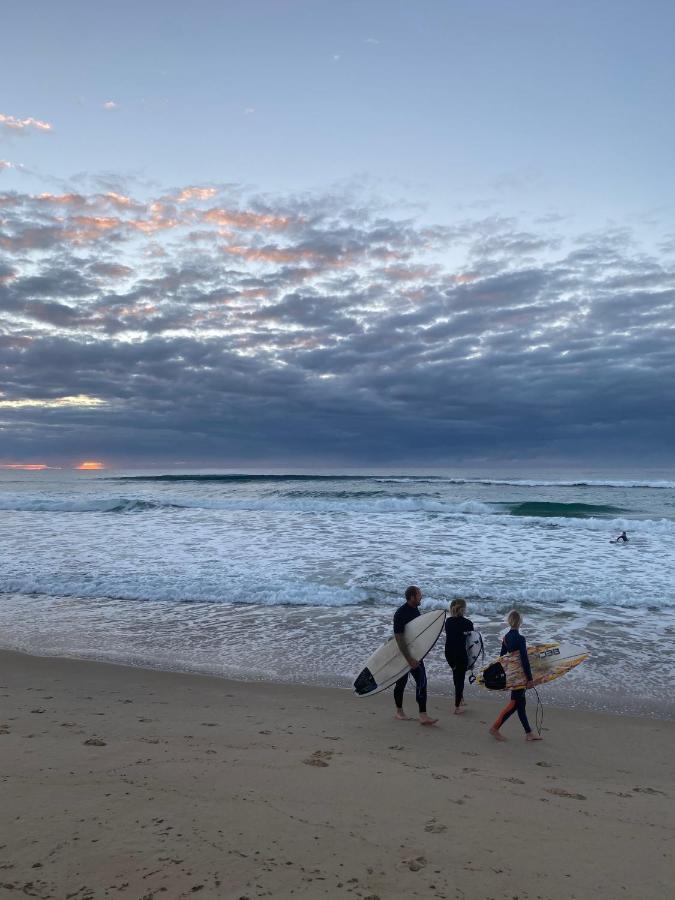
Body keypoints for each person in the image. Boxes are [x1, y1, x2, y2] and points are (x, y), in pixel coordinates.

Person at [489, 609, 542, 742]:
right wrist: (530, 679)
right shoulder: (520, 638)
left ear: (509, 621)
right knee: (515, 704)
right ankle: (495, 728)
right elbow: (524, 660)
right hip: (520, 677)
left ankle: (529, 733)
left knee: (520, 704)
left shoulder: (506, 638)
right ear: (520, 622)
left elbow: (501, 658)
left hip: (512, 676)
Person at [393, 585, 438, 726]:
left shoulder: (415, 610)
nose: (421, 597)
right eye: (419, 595)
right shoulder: (400, 613)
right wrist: (409, 659)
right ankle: (399, 711)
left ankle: (423, 715)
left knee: (422, 682)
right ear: (412, 597)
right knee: (401, 683)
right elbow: (399, 638)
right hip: (404, 655)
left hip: (416, 655)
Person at [444, 598, 474, 714]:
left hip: (449, 653)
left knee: (456, 674)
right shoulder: (468, 623)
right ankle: (457, 707)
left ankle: (460, 698)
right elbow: (472, 643)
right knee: (460, 678)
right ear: (463, 609)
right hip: (460, 653)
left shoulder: (448, 621)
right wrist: (472, 661)